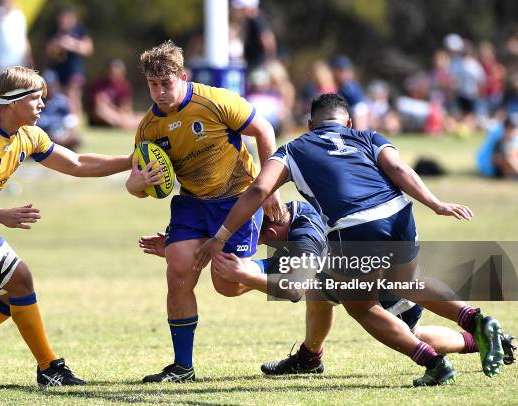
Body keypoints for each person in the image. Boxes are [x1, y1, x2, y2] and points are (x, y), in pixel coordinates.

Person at [194, 93, 506, 386]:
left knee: (361, 307)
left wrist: (221, 236)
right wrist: (436, 203)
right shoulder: (368, 137)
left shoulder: (294, 148)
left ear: (310, 125)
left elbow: (260, 190)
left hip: (354, 227)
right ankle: (473, 319)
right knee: (402, 283)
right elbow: (398, 168)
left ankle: (434, 364)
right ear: (349, 123)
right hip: (399, 215)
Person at [0, 66, 132, 388]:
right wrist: (0, 214)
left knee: (14, 287)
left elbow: (76, 164)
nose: (43, 105)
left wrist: (132, 160)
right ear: (13, 101)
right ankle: (49, 368)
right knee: (19, 279)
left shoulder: (28, 135)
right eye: (37, 98)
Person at [142, 201, 516, 374]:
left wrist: (245, 276)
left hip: (380, 280)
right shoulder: (289, 221)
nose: (244, 238)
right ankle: (310, 357)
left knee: (409, 327)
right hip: (362, 267)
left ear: (269, 230)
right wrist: (183, 252)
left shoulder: (303, 238)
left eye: (247, 233)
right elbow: (240, 273)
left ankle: (478, 338)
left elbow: (287, 287)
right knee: (320, 297)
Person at [125, 40, 283, 383]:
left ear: (182, 76)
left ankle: (277, 268)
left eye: (166, 84)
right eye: (153, 85)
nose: (160, 92)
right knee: (178, 267)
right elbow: (136, 185)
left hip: (237, 198)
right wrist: (139, 184)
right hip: (193, 203)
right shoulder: (149, 128)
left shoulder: (215, 101)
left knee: (226, 282)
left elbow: (264, 130)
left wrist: (270, 188)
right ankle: (183, 366)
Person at [45, 5, 93, 114]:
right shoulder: (54, 30)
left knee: (73, 96)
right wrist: (57, 44)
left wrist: (72, 44)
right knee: (57, 97)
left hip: (74, 69)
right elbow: (47, 50)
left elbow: (88, 48)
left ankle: (74, 122)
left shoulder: (79, 29)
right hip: (57, 69)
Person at [88, 59, 143, 129]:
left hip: (119, 115)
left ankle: (124, 124)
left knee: (142, 116)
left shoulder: (124, 86)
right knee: (102, 110)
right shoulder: (100, 83)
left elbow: (126, 108)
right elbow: (99, 105)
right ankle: (125, 124)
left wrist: (122, 114)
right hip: (101, 116)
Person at [37, 70, 81, 151]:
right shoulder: (36, 100)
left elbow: (70, 119)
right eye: (47, 86)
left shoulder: (62, 100)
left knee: (74, 136)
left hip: (60, 131)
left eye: (52, 85)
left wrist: (69, 132)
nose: (50, 88)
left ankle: (62, 144)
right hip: (43, 132)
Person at [0, 0, 31, 82]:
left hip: (18, 59)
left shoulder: (19, 14)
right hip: (0, 61)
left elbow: (24, 37)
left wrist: (28, 57)